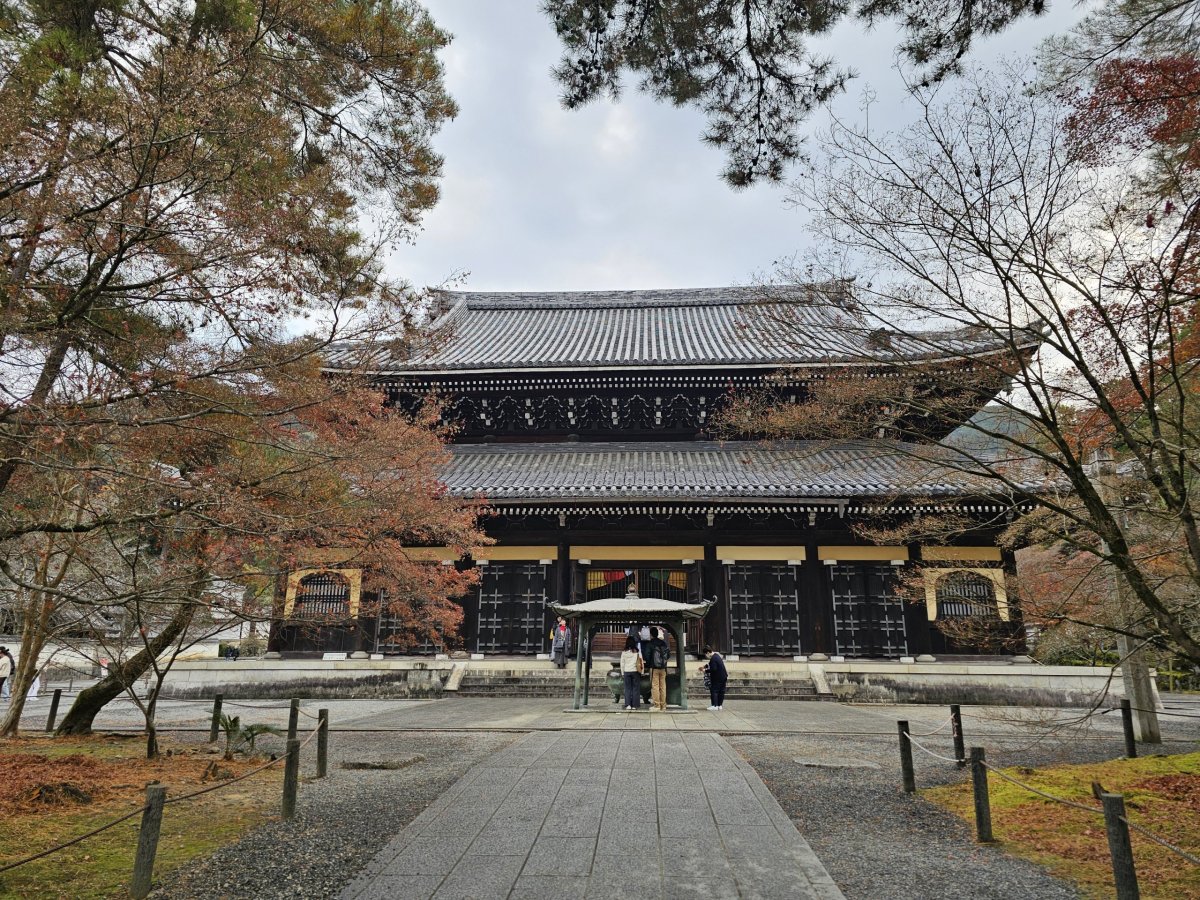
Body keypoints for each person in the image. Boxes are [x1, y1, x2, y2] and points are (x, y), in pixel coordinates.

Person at [647, 627, 670, 711]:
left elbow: (647, 655)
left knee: (655, 686)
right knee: (663, 686)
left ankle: (657, 705)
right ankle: (663, 705)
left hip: (654, 668)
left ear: (651, 634)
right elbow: (668, 655)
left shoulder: (650, 643)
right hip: (663, 668)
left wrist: (649, 664)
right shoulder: (663, 643)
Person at [700, 646, 728, 711]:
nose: (706, 656)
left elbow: (713, 669)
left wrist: (705, 670)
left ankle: (714, 705)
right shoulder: (716, 656)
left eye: (705, 654)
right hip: (723, 676)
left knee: (714, 691)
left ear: (707, 653)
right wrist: (705, 666)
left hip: (717, 677)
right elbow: (711, 664)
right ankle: (719, 705)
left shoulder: (713, 658)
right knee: (721, 691)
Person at [620, 635, 643, 710]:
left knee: (627, 688)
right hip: (635, 671)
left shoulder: (624, 652)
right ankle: (635, 705)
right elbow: (641, 662)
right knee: (635, 688)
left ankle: (628, 705)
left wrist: (622, 672)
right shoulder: (637, 652)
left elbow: (622, 663)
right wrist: (641, 672)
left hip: (627, 671)